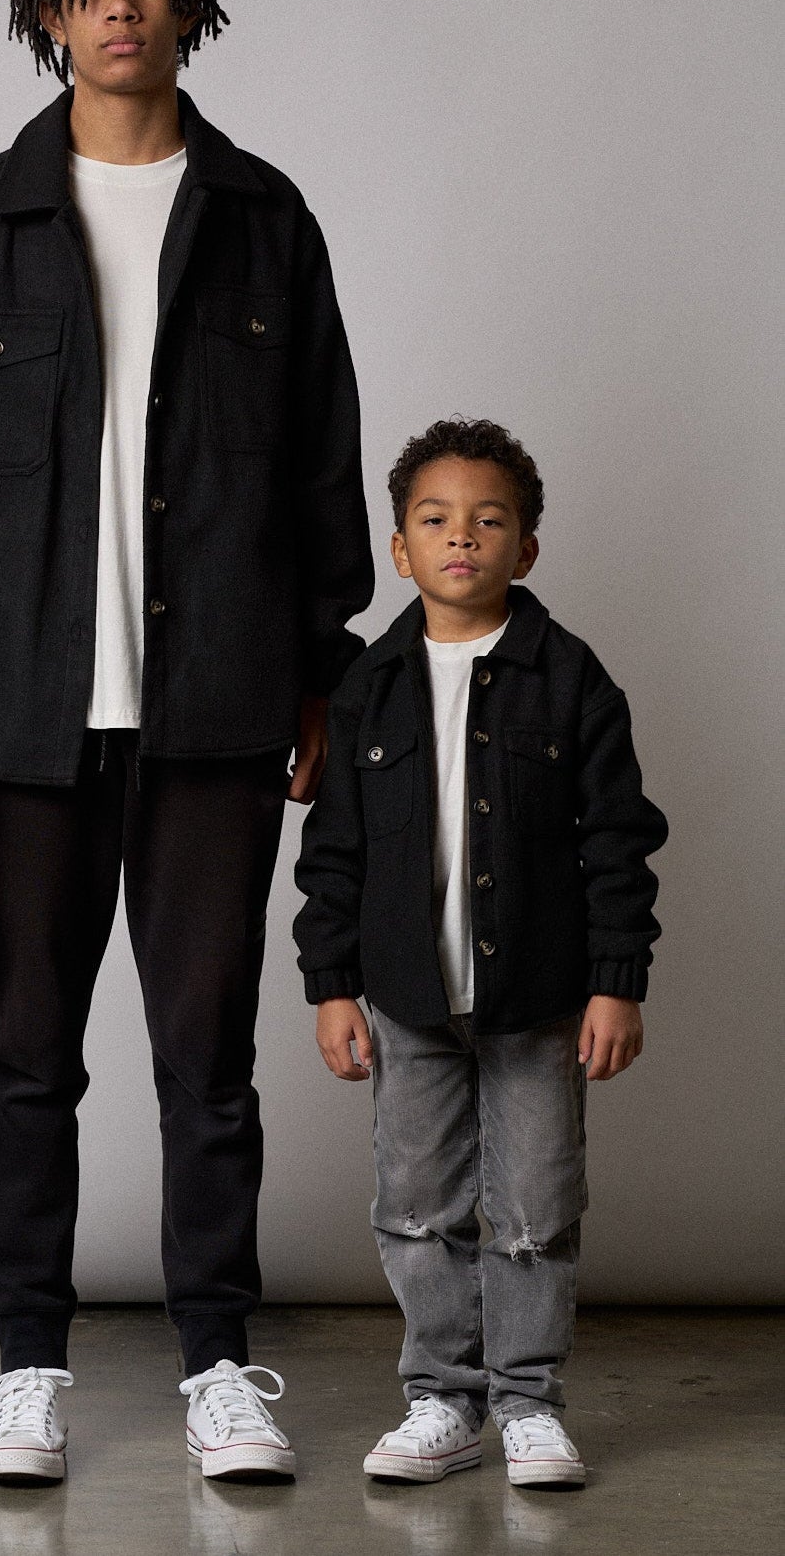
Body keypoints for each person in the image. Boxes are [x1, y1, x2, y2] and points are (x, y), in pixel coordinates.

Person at [0, 0, 372, 1483]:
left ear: (189, 4)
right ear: (48, 11)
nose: (120, 4)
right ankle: (26, 1368)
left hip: (217, 707)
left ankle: (218, 1365)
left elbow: (320, 459)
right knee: (28, 1054)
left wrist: (318, 672)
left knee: (208, 1059)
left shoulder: (266, 217)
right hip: (23, 715)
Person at [294, 417, 668, 1488]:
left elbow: (618, 841)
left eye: (489, 520)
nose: (462, 536)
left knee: (536, 1211)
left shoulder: (572, 677)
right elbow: (333, 852)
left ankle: (529, 1404)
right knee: (417, 1208)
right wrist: (331, 987)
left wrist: (616, 983)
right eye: (435, 519)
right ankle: (442, 1400)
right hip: (406, 998)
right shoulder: (369, 684)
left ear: (527, 548)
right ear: (400, 548)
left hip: (541, 998)